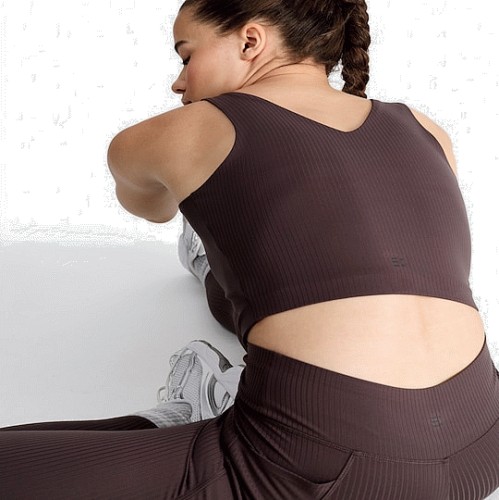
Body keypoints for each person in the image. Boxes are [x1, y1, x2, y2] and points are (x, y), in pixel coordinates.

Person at [1, 0, 498, 498]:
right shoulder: (425, 128)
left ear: (250, 41)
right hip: (484, 448)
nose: (179, 83)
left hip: (314, 465)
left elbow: (151, 207)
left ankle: (194, 411)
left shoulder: (184, 130)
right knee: (294, 282)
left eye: (186, 56)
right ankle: (211, 273)